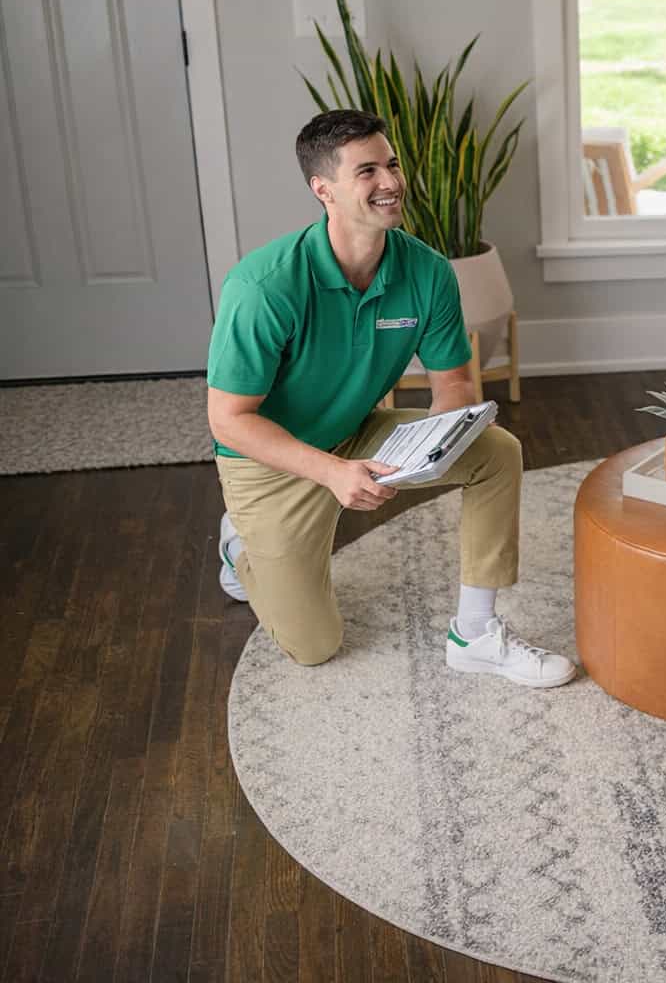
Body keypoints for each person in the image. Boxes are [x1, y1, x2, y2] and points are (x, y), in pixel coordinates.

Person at [206, 109, 574, 688]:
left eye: (393, 163)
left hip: (357, 432)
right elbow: (229, 421)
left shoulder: (426, 271)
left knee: (497, 452)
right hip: (270, 463)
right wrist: (331, 472)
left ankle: (474, 633)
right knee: (314, 646)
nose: (391, 182)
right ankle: (240, 548)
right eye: (368, 171)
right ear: (322, 189)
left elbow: (453, 381)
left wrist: (439, 441)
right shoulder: (263, 288)